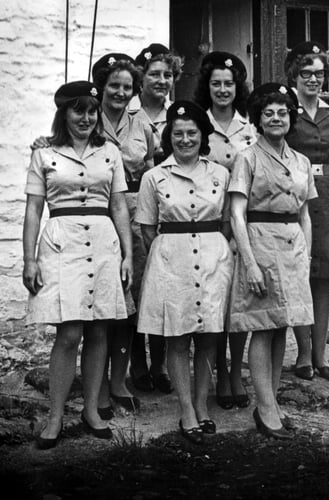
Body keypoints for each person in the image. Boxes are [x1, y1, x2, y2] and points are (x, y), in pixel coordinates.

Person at [24, 81, 132, 449]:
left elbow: (118, 205)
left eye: (91, 111)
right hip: (61, 242)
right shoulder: (44, 153)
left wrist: (128, 254)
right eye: (78, 110)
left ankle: (90, 410)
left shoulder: (110, 153)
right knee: (69, 333)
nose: (86, 118)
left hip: (103, 242)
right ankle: (54, 416)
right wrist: (29, 259)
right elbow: (34, 210)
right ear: (64, 114)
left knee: (99, 330)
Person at [136, 101, 233, 444]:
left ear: (202, 135)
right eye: (178, 133)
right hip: (171, 261)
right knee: (176, 336)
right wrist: (168, 257)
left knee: (208, 334)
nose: (185, 139)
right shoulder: (154, 177)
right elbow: (148, 229)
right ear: (169, 137)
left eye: (192, 132)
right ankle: (186, 409)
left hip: (212, 259)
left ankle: (202, 405)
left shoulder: (220, 174)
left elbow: (227, 221)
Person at [227, 83, 317, 439]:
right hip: (260, 245)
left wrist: (306, 257)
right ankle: (265, 409)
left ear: (291, 118)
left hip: (292, 246)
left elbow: (305, 214)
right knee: (263, 326)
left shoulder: (301, 161)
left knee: (282, 325)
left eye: (282, 112)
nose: (276, 118)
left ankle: (271, 403)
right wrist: (249, 263)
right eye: (268, 113)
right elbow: (236, 213)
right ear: (258, 120)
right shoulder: (247, 158)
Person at [90, 52, 158, 416]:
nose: (119, 92)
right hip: (97, 212)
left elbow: (149, 170)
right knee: (99, 301)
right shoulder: (87, 116)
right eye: (113, 85)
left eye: (126, 86)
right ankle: (96, 384)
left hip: (132, 214)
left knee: (129, 302)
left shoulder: (141, 121)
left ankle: (119, 381)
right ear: (101, 85)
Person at [284, 41, 329, 383]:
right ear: (294, 76)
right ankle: (301, 351)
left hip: (325, 198)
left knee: (322, 279)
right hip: (294, 197)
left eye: (319, 73)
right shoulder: (286, 110)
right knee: (300, 276)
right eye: (306, 73)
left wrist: (326, 184)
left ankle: (321, 353)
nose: (313, 79)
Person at [194, 51, 257, 410]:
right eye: (216, 83)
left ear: (238, 87)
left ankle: (236, 373)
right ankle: (218, 372)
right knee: (215, 304)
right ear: (208, 86)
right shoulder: (197, 123)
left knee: (240, 303)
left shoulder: (249, 126)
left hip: (243, 223)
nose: (222, 89)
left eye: (228, 84)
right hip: (208, 225)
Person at [129, 42, 183, 395]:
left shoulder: (177, 114)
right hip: (130, 205)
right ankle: (136, 364)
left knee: (165, 286)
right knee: (134, 288)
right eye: (154, 75)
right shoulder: (127, 112)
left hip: (167, 207)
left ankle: (161, 364)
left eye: (168, 75)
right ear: (141, 78)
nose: (161, 81)